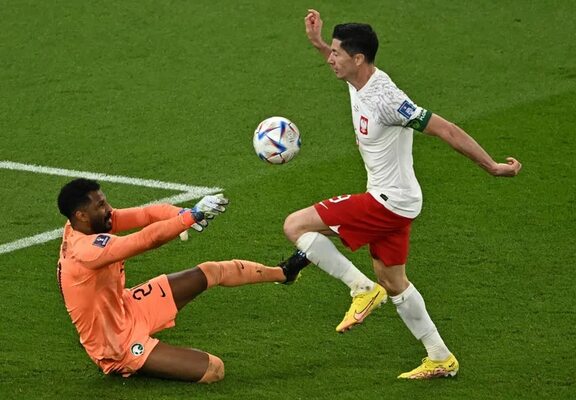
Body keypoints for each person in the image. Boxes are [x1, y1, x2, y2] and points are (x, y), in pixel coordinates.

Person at [281, 9, 522, 380]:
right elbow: (341, 65)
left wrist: (492, 166)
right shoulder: (358, 79)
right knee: (394, 281)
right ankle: (440, 356)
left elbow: (447, 129)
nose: (330, 59)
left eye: (335, 53)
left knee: (296, 225)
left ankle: (360, 288)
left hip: (387, 203)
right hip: (397, 200)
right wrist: (317, 41)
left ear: (357, 59)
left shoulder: (386, 99)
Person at [56, 178, 307, 383]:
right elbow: (146, 240)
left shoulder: (86, 224)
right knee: (214, 370)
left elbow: (146, 214)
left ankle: (284, 273)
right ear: (82, 215)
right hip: (115, 343)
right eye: (100, 205)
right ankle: (125, 363)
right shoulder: (87, 251)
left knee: (211, 271)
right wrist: (190, 218)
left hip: (126, 306)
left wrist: (183, 214)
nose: (108, 208)